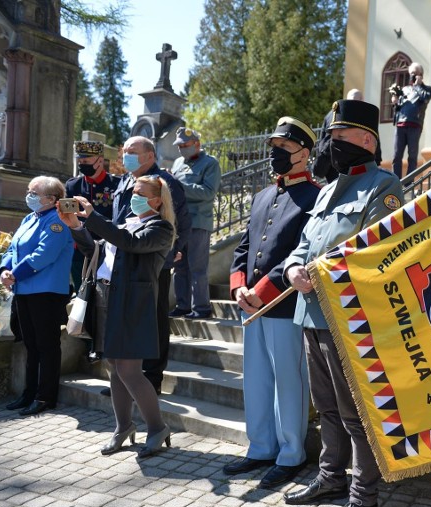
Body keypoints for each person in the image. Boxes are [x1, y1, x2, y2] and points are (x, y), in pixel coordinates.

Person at [283, 99, 404, 507]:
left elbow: (380, 251)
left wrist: (322, 272)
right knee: (327, 408)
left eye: (339, 136)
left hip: (351, 318)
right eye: (331, 136)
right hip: (311, 314)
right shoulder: (328, 189)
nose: (330, 144)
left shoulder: (383, 186)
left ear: (366, 141)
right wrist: (293, 268)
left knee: (356, 414)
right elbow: (305, 244)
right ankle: (331, 477)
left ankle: (363, 499)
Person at [224, 117, 320, 488]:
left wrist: (260, 291)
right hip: (250, 306)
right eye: (274, 147)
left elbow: (301, 252)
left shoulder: (315, 196)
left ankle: (291, 453)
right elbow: (246, 247)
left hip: (284, 302)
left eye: (283, 148)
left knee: (287, 379)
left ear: (303, 153)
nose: (275, 154)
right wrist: (237, 288)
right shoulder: (264, 195)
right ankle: (261, 447)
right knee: (257, 379)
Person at [59, 175, 176, 458]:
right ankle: (123, 427)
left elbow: (130, 244)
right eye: (133, 191)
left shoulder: (160, 227)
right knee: (114, 367)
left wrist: (94, 216)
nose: (133, 196)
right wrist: (76, 226)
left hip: (133, 305)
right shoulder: (125, 223)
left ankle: (157, 427)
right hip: (107, 298)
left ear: (158, 200)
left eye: (141, 193)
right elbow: (95, 250)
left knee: (130, 371)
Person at [104, 136, 191, 396]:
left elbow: (181, 220)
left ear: (150, 156)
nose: (126, 156)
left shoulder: (164, 183)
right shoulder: (125, 181)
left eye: (133, 151)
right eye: (125, 151)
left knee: (153, 318)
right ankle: (125, 378)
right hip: (124, 260)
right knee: (127, 317)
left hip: (153, 259)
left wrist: (173, 250)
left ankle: (151, 378)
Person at [0, 176, 74, 416]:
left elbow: (44, 255)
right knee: (31, 344)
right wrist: (4, 270)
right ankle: (29, 392)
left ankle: (45, 397)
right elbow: (13, 248)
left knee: (47, 345)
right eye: (29, 191)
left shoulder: (57, 221)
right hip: (24, 290)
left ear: (52, 199)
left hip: (46, 292)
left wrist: (15, 274)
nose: (29, 196)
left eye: (34, 193)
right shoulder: (30, 217)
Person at [170, 127, 221, 319]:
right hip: (178, 223)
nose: (181, 149)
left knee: (197, 267)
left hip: (198, 222)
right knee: (179, 266)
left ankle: (201, 308)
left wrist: (179, 185)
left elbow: (208, 192)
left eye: (185, 145)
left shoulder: (210, 164)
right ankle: (182, 306)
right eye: (179, 146)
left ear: (197, 144)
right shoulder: (177, 163)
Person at [65, 140, 117, 294]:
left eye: (86, 161)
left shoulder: (116, 184)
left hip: (107, 247)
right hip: (80, 248)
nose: (82, 164)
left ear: (100, 160)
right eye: (80, 161)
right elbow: (69, 215)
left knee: (104, 293)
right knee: (82, 292)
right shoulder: (73, 185)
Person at [390, 62, 431, 179]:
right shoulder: (404, 90)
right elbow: (398, 109)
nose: (412, 76)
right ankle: (396, 181)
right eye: (410, 73)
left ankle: (409, 183)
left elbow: (425, 98)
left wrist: (418, 85)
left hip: (415, 125)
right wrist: (395, 102)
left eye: (414, 73)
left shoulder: (428, 89)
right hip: (400, 125)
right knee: (396, 156)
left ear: (421, 74)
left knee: (412, 156)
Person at [313, 88, 364, 183]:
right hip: (345, 167)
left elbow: (321, 143)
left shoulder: (331, 114)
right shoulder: (361, 115)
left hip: (335, 167)